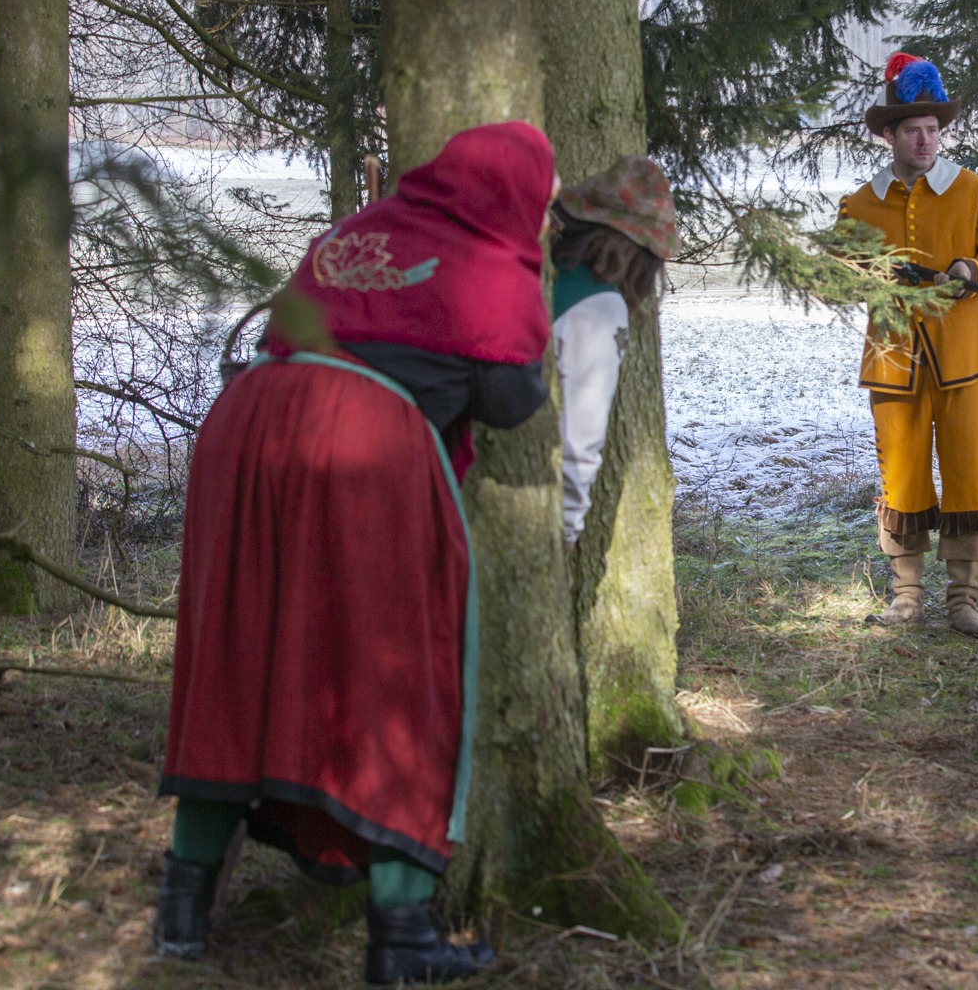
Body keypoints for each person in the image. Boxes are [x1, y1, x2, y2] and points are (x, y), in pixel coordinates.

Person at [154, 123, 558, 985]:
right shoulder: (494, 263)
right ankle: (402, 936)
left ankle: (182, 912)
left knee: (238, 659)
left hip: (245, 428)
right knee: (400, 680)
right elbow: (514, 400)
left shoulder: (353, 232)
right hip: (360, 451)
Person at [838, 53, 978, 638]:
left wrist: (969, 267)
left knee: (970, 473)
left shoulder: (975, 192)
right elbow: (841, 272)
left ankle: (963, 601)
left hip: (964, 358)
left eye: (933, 130)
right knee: (904, 477)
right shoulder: (859, 204)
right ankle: (907, 597)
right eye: (912, 130)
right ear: (889, 134)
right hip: (893, 360)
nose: (924, 140)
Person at [551, 155, 680, 548]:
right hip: (534, 508)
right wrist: (567, 528)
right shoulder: (600, 307)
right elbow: (579, 436)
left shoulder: (543, 267)